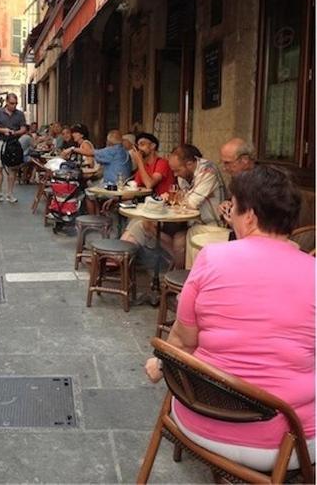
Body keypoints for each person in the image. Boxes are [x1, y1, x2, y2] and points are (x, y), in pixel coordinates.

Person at [145, 165, 315, 472]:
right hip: (288, 443)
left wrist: (160, 363)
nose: (230, 215)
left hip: (202, 419)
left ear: (249, 216)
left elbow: (183, 340)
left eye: (232, 208)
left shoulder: (212, 258)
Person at [0, 93, 26, 204]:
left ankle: (10, 194)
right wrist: (3, 130)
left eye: (15, 104)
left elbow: (24, 128)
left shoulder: (19, 114)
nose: (13, 106)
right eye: (11, 103)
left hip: (13, 143)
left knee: (12, 168)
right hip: (1, 142)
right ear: (6, 102)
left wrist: (16, 132)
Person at [84, 129, 132, 214]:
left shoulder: (112, 150)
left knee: (89, 192)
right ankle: (100, 214)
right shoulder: (125, 151)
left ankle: (95, 219)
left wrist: (72, 149)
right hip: (125, 185)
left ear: (109, 141)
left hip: (113, 186)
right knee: (94, 186)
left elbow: (90, 153)